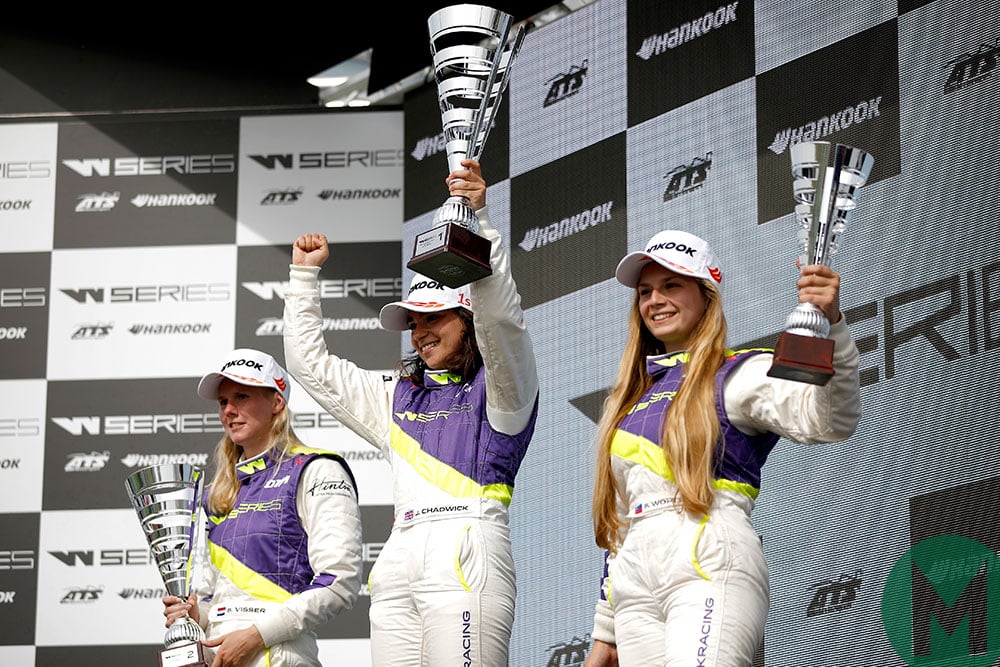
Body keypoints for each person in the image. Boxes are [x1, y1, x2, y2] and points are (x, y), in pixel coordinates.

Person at [282, 159, 539, 667]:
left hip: (466, 551)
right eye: (412, 322)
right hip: (398, 559)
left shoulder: (503, 387)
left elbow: (502, 320)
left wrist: (481, 225)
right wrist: (303, 278)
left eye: (434, 318)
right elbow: (309, 367)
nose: (420, 332)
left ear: (466, 319)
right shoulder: (397, 393)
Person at [584, 230, 861, 666]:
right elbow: (619, 528)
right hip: (634, 587)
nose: (655, 300)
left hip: (709, 557)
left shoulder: (740, 372)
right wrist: (605, 632)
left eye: (672, 285)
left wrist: (834, 325)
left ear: (706, 293)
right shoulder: (626, 400)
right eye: (644, 291)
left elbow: (827, 421)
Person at [161, 348, 363, 667]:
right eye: (223, 402)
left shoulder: (316, 469)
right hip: (218, 655)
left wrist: (257, 634)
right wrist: (193, 614)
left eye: (241, 397)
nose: (229, 410)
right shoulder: (220, 492)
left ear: (276, 402)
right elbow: (214, 593)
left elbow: (339, 581)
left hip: (281, 652)